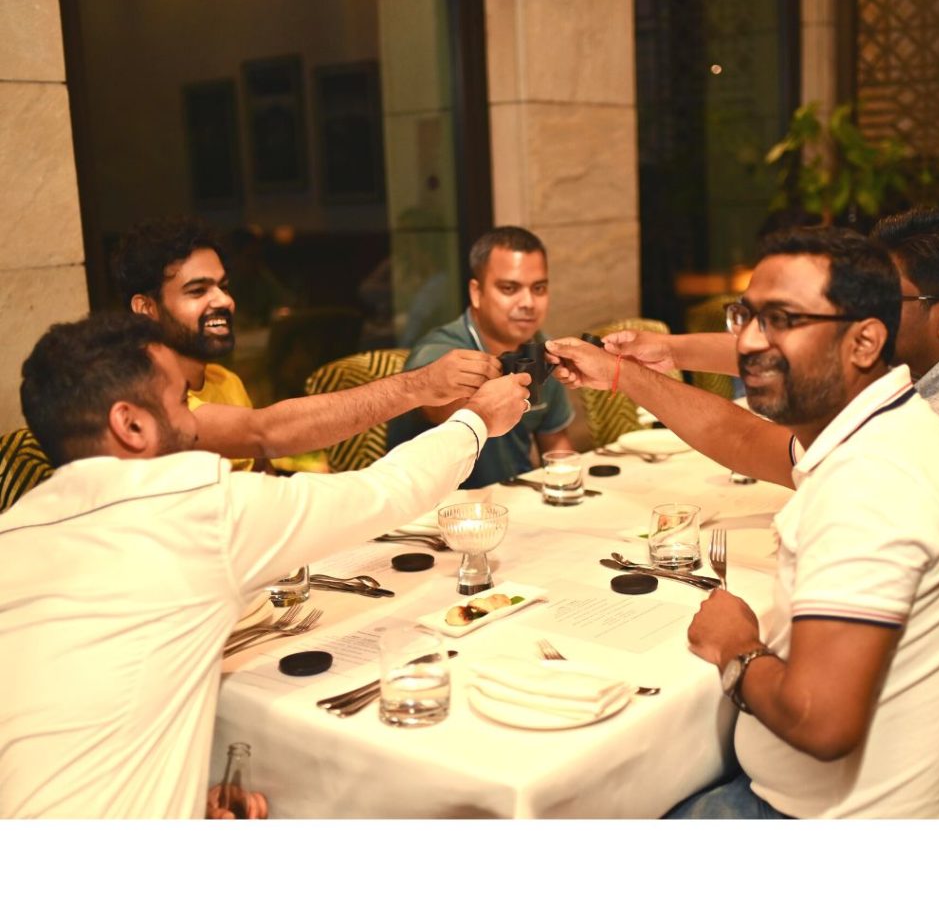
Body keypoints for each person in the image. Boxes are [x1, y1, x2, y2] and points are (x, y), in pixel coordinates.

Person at [546, 227, 939, 818]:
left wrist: (737, 649)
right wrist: (622, 373)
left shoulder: (869, 483)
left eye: (783, 320)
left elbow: (821, 722)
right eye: (745, 316)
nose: (747, 342)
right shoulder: (894, 422)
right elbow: (742, 436)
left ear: (865, 341)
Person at [0, 311, 529, 818]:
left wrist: (181, 800)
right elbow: (385, 492)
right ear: (131, 424)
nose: (195, 423)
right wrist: (477, 421)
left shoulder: (12, 532)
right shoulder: (194, 509)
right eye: (181, 402)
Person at [110, 216, 501, 471]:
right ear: (146, 308)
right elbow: (264, 432)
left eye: (223, 286)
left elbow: (265, 479)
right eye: (198, 290)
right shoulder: (145, 399)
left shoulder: (224, 382)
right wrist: (420, 385)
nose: (223, 301)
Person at [387, 226, 574, 488]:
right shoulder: (440, 352)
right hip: (443, 506)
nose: (528, 303)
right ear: (476, 293)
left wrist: (568, 486)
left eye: (539, 288)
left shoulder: (541, 350)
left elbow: (555, 443)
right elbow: (437, 408)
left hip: (515, 499)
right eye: (509, 288)